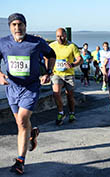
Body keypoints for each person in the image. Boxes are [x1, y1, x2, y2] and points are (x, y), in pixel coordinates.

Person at [0, 13, 56, 174]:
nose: (17, 28)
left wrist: (49, 72)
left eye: (20, 24)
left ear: (25, 25)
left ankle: (20, 161)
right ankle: (31, 133)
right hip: (12, 88)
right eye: (14, 25)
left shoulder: (37, 42)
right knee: (21, 123)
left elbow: (51, 55)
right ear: (10, 27)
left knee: (23, 120)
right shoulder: (3, 43)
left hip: (31, 87)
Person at [50, 28, 83, 126]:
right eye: (57, 36)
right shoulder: (52, 46)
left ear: (66, 35)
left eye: (61, 36)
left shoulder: (72, 46)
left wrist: (73, 65)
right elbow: (46, 56)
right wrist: (49, 70)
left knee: (70, 96)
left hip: (69, 74)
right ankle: (61, 113)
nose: (60, 38)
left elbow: (80, 59)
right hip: (57, 74)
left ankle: (72, 113)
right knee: (56, 93)